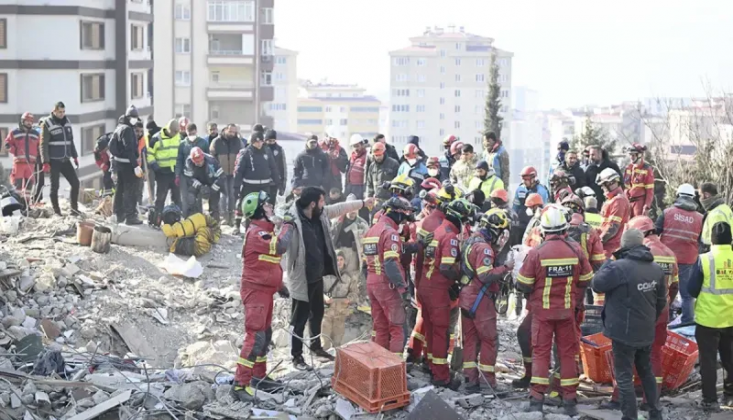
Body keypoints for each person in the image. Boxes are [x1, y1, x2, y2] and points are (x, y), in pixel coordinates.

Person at [285, 187, 374, 370]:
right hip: (302, 278)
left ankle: (317, 348)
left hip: (317, 275)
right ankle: (296, 356)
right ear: (312, 204)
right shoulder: (293, 221)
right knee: (299, 319)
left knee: (317, 314)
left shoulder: (321, 214)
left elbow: (341, 207)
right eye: (322, 201)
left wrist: (363, 203)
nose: (324, 205)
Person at [516, 205, 593, 416]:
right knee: (567, 354)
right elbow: (587, 279)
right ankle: (569, 400)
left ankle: (537, 400)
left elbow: (523, 282)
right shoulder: (576, 250)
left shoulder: (537, 252)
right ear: (565, 229)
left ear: (543, 230)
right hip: (567, 312)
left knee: (541, 353)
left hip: (542, 314)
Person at [597, 216, 678, 411]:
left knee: (625, 359)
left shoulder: (634, 254)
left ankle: (620, 399)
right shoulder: (669, 253)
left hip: (634, 313)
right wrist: (664, 306)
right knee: (653, 357)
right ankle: (651, 402)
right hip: (658, 311)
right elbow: (674, 286)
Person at [232, 191, 293, 403]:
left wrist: (280, 285)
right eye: (266, 205)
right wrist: (289, 224)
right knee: (255, 337)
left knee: (265, 335)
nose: (270, 208)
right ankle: (240, 384)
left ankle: (258, 376)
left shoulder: (263, 232)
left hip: (265, 291)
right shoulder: (257, 233)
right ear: (259, 210)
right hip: (256, 293)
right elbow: (281, 246)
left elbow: (267, 263)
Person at [419, 199, 473, 390]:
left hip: (425, 285)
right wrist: (460, 279)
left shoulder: (437, 230)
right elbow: (446, 267)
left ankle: (433, 366)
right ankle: (441, 376)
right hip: (437, 290)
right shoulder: (449, 236)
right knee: (441, 332)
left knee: (432, 330)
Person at [460, 209, 513, 391]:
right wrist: (506, 268)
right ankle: (488, 383)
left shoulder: (470, 241)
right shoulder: (484, 248)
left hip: (467, 296)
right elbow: (484, 275)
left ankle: (470, 381)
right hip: (480, 299)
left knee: (470, 340)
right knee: (489, 341)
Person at [688, 221, 733, 411]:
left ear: (712, 240)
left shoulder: (704, 259)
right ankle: (730, 395)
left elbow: (691, 289)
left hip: (708, 320)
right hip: (731, 319)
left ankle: (710, 400)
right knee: (730, 359)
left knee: (708, 361)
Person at [363, 197, 414, 353]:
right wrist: (402, 288)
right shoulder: (390, 232)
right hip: (387, 283)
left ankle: (379, 367)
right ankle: (394, 371)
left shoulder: (370, 230)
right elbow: (390, 263)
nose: (403, 221)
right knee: (397, 327)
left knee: (380, 327)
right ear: (397, 214)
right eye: (403, 217)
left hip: (372, 281)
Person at [655, 183, 703, 324]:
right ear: (693, 198)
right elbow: (703, 240)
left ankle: (661, 320)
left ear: (677, 196)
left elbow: (655, 232)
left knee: (662, 291)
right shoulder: (700, 217)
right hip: (688, 260)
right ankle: (687, 321)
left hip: (665, 258)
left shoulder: (667, 213)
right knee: (686, 295)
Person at [39, 102, 80, 216]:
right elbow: (43, 144)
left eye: (63, 112)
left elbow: (70, 141)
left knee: (75, 183)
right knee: (55, 187)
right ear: (55, 111)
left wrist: (75, 156)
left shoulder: (67, 122)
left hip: (66, 159)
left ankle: (74, 209)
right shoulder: (47, 123)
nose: (62, 114)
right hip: (54, 161)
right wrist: (45, 162)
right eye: (59, 112)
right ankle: (57, 212)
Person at [233, 131, 281, 226]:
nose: (259, 144)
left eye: (261, 141)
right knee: (250, 209)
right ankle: (248, 229)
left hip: (264, 186)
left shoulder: (267, 152)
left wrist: (278, 183)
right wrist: (236, 188)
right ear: (252, 142)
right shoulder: (246, 153)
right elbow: (239, 171)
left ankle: (263, 229)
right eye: (256, 142)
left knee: (264, 209)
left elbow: (273, 168)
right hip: (249, 187)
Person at [108, 106, 143, 224]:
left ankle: (118, 214)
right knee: (130, 190)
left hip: (119, 164)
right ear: (128, 117)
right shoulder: (127, 129)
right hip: (128, 165)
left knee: (120, 190)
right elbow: (129, 149)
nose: (134, 119)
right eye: (132, 117)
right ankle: (130, 216)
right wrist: (135, 166)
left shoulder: (119, 127)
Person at [321, 250, 360, 350]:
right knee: (324, 342)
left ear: (344, 261)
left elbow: (355, 293)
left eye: (341, 259)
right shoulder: (325, 274)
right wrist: (324, 297)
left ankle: (337, 362)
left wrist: (349, 299)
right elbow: (316, 291)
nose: (339, 262)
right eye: (336, 259)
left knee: (338, 343)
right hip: (326, 312)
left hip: (340, 314)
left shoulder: (349, 277)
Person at [148, 119, 182, 225]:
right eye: (173, 132)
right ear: (168, 129)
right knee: (161, 197)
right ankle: (156, 220)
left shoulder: (179, 137)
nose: (174, 134)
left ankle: (175, 220)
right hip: (162, 173)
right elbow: (150, 154)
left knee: (177, 197)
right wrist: (155, 166)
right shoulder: (157, 138)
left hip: (175, 172)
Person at [210, 124, 244, 225]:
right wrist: (217, 170)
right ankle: (224, 217)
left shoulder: (238, 142)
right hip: (222, 173)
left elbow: (242, 155)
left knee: (232, 195)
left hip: (233, 173)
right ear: (225, 130)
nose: (232, 134)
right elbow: (212, 157)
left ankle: (232, 216)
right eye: (230, 131)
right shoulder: (217, 141)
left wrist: (238, 170)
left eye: (234, 132)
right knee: (223, 195)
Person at [176, 123, 209, 217]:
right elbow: (179, 160)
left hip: (198, 175)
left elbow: (207, 159)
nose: (191, 136)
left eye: (193, 133)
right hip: (185, 176)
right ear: (186, 132)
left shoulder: (203, 143)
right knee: (185, 199)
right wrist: (177, 175)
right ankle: (186, 219)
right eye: (189, 134)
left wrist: (206, 176)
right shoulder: (182, 144)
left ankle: (198, 219)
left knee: (197, 199)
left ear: (196, 132)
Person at [512, 166, 550, 245]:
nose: (524, 181)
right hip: (521, 224)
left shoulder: (541, 190)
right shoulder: (520, 189)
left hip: (534, 223)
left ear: (533, 179)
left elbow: (544, 209)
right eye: (522, 179)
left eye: (526, 179)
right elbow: (515, 207)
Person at [5, 112, 41, 196]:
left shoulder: (36, 134)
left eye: (31, 121)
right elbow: (7, 144)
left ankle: (26, 205)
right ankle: (18, 205)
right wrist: (15, 151)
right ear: (22, 121)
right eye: (27, 121)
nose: (29, 123)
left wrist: (40, 158)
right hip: (19, 164)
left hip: (31, 164)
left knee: (29, 187)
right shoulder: (14, 132)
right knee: (17, 186)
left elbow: (40, 147)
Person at [182, 147, 223, 219]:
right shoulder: (189, 162)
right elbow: (188, 178)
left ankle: (215, 223)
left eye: (201, 161)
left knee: (214, 205)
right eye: (197, 162)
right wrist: (200, 187)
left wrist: (212, 189)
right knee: (191, 198)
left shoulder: (212, 161)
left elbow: (222, 177)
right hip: (198, 183)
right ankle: (196, 219)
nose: (200, 163)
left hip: (212, 183)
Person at [597, 167, 630, 258]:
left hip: (611, 249)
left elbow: (612, 228)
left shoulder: (618, 200)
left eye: (603, 185)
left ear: (611, 183)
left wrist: (598, 242)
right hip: (607, 247)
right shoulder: (612, 200)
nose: (602, 188)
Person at [623, 143, 655, 217]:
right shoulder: (628, 168)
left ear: (640, 155)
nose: (631, 157)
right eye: (630, 155)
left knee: (637, 224)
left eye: (633, 155)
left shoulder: (646, 169)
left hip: (639, 203)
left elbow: (650, 191)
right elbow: (625, 186)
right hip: (627, 201)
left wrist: (646, 207)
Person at [699, 182, 733, 251]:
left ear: (707, 195)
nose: (700, 198)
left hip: (714, 252)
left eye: (700, 195)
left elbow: (719, 238)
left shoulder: (716, 214)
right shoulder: (725, 208)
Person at [265, 129, 287, 203]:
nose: (271, 143)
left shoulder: (279, 150)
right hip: (263, 182)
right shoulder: (262, 149)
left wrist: (282, 185)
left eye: (273, 141)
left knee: (271, 203)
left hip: (274, 182)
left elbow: (283, 167)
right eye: (269, 141)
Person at [344, 134, 368, 199]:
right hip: (350, 186)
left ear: (362, 145)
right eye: (354, 146)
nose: (355, 148)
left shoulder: (366, 157)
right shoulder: (352, 157)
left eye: (357, 146)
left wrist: (365, 191)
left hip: (360, 187)